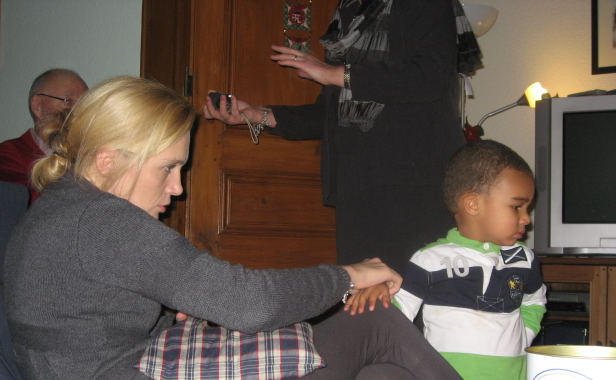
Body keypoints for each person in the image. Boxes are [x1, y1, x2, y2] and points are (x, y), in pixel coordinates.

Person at [4, 75, 483, 380]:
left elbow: (93, 328)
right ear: (109, 160)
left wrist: (174, 314)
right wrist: (349, 274)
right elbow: (250, 303)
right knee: (372, 322)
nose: (177, 188)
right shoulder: (100, 220)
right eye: (167, 168)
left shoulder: (67, 212)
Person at [204, 0, 482, 274]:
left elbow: (430, 76)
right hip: (359, 188)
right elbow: (329, 113)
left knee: (418, 292)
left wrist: (338, 74)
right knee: (369, 295)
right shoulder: (350, 11)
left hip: (417, 184)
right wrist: (256, 115)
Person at [347, 140, 547, 380]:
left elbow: (534, 301)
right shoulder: (431, 260)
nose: (526, 219)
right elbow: (396, 316)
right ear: (473, 204)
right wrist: (381, 292)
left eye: (527, 209)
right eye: (517, 207)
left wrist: (524, 336)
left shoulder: (524, 260)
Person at [0, 68, 88, 203]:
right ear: (38, 106)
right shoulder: (8, 154)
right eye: (68, 100)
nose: (79, 111)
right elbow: (30, 203)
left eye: (85, 104)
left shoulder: (91, 155)